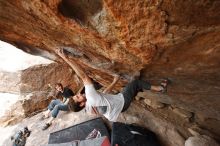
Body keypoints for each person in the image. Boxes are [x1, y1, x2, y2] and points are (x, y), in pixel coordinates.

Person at [56, 49, 169, 122]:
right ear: (81, 103)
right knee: (136, 83)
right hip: (121, 103)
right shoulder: (90, 97)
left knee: (131, 89)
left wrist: (114, 81)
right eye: (78, 97)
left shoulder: (89, 109)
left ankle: (138, 91)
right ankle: (160, 89)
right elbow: (84, 76)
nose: (78, 94)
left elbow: (104, 94)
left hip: (117, 110)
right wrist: (66, 58)